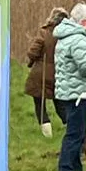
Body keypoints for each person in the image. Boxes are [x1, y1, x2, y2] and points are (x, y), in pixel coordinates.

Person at [53, 4, 86, 171]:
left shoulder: (66, 37)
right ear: (84, 22)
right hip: (78, 93)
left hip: (70, 91)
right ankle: (65, 170)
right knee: (75, 133)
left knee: (77, 131)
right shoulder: (78, 40)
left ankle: (75, 167)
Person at [23, 9, 62, 138]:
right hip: (59, 73)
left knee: (40, 105)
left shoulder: (44, 33)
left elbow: (33, 52)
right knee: (60, 103)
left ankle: (47, 134)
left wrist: (32, 61)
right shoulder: (66, 35)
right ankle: (70, 127)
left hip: (41, 73)